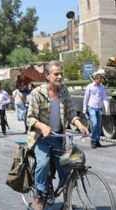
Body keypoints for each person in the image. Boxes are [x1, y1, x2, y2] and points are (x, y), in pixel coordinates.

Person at [27, 61, 89, 210]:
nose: (60, 76)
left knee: (67, 169)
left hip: (58, 138)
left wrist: (80, 125)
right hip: (40, 138)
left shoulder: (63, 91)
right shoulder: (38, 93)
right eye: (56, 74)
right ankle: (39, 194)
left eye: (61, 73)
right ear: (47, 76)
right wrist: (42, 126)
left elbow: (70, 113)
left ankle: (66, 201)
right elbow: (30, 117)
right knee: (43, 163)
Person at [82, 69, 109, 149]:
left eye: (101, 80)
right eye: (99, 80)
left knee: (99, 125)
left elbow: (104, 98)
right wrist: (84, 108)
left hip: (99, 108)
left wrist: (106, 108)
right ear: (96, 79)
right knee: (94, 124)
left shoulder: (102, 87)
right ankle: (93, 140)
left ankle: (97, 141)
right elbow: (86, 97)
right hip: (92, 107)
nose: (100, 82)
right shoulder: (90, 87)